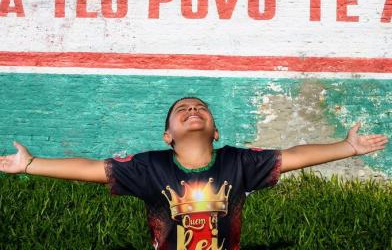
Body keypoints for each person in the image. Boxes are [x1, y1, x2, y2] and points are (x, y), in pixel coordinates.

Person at [0, 97, 389, 249]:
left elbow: (292, 155)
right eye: (182, 109)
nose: (192, 110)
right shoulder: (149, 166)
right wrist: (30, 164)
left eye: (201, 108)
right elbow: (91, 168)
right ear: (168, 134)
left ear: (216, 130)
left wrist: (346, 147)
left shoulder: (239, 162)